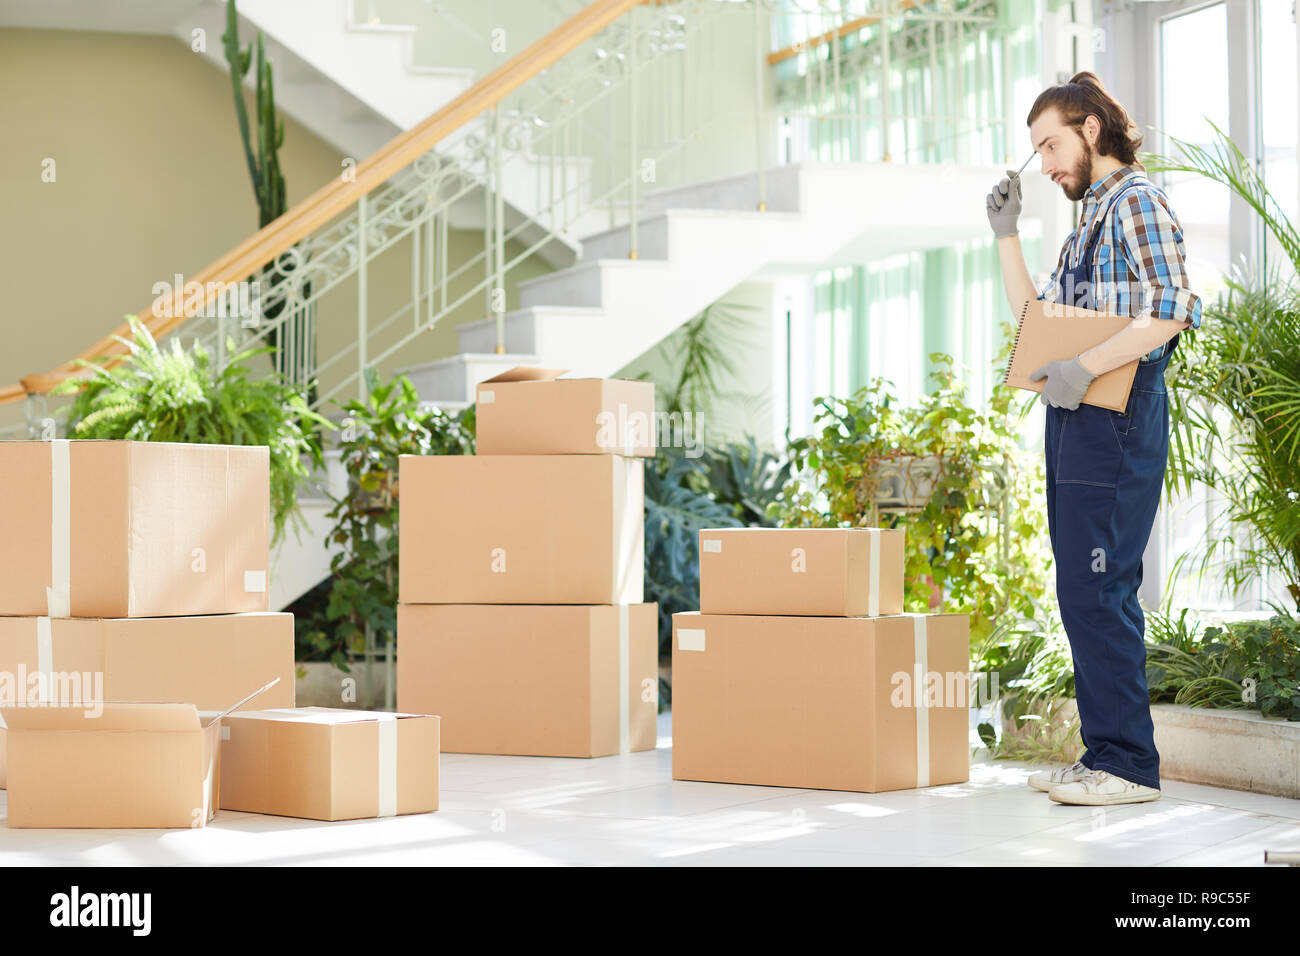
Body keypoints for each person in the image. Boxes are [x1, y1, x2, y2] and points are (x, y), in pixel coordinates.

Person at [985, 71, 1202, 806]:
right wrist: (1006, 236)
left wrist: (1084, 365)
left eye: (1050, 143)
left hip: (1115, 412)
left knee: (1099, 585)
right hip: (1078, 415)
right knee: (1082, 586)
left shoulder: (1137, 202)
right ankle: (1104, 753)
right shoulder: (1089, 222)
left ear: (1092, 129)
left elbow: (1171, 309)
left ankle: (1129, 767)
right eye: (1036, 151)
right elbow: (1033, 320)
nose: (1044, 164)